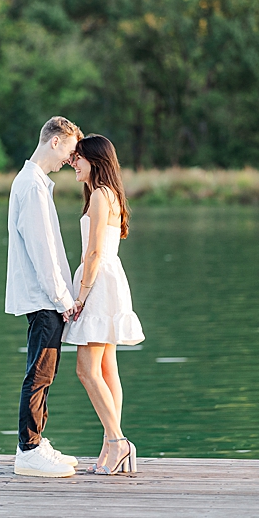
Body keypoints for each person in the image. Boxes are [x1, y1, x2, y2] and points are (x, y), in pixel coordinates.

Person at [5, 116, 83, 478]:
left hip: (44, 296)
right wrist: (63, 299)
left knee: (43, 371)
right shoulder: (33, 186)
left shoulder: (33, 183)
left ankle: (36, 442)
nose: (69, 159)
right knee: (39, 372)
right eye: (69, 150)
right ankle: (29, 449)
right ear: (55, 141)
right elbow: (43, 251)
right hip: (43, 297)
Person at [63, 134, 144, 475]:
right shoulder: (111, 194)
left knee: (86, 369)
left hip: (97, 283)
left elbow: (93, 252)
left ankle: (118, 442)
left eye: (78, 158)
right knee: (108, 368)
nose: (73, 164)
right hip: (111, 279)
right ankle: (110, 447)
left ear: (94, 161)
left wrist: (79, 296)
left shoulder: (99, 195)